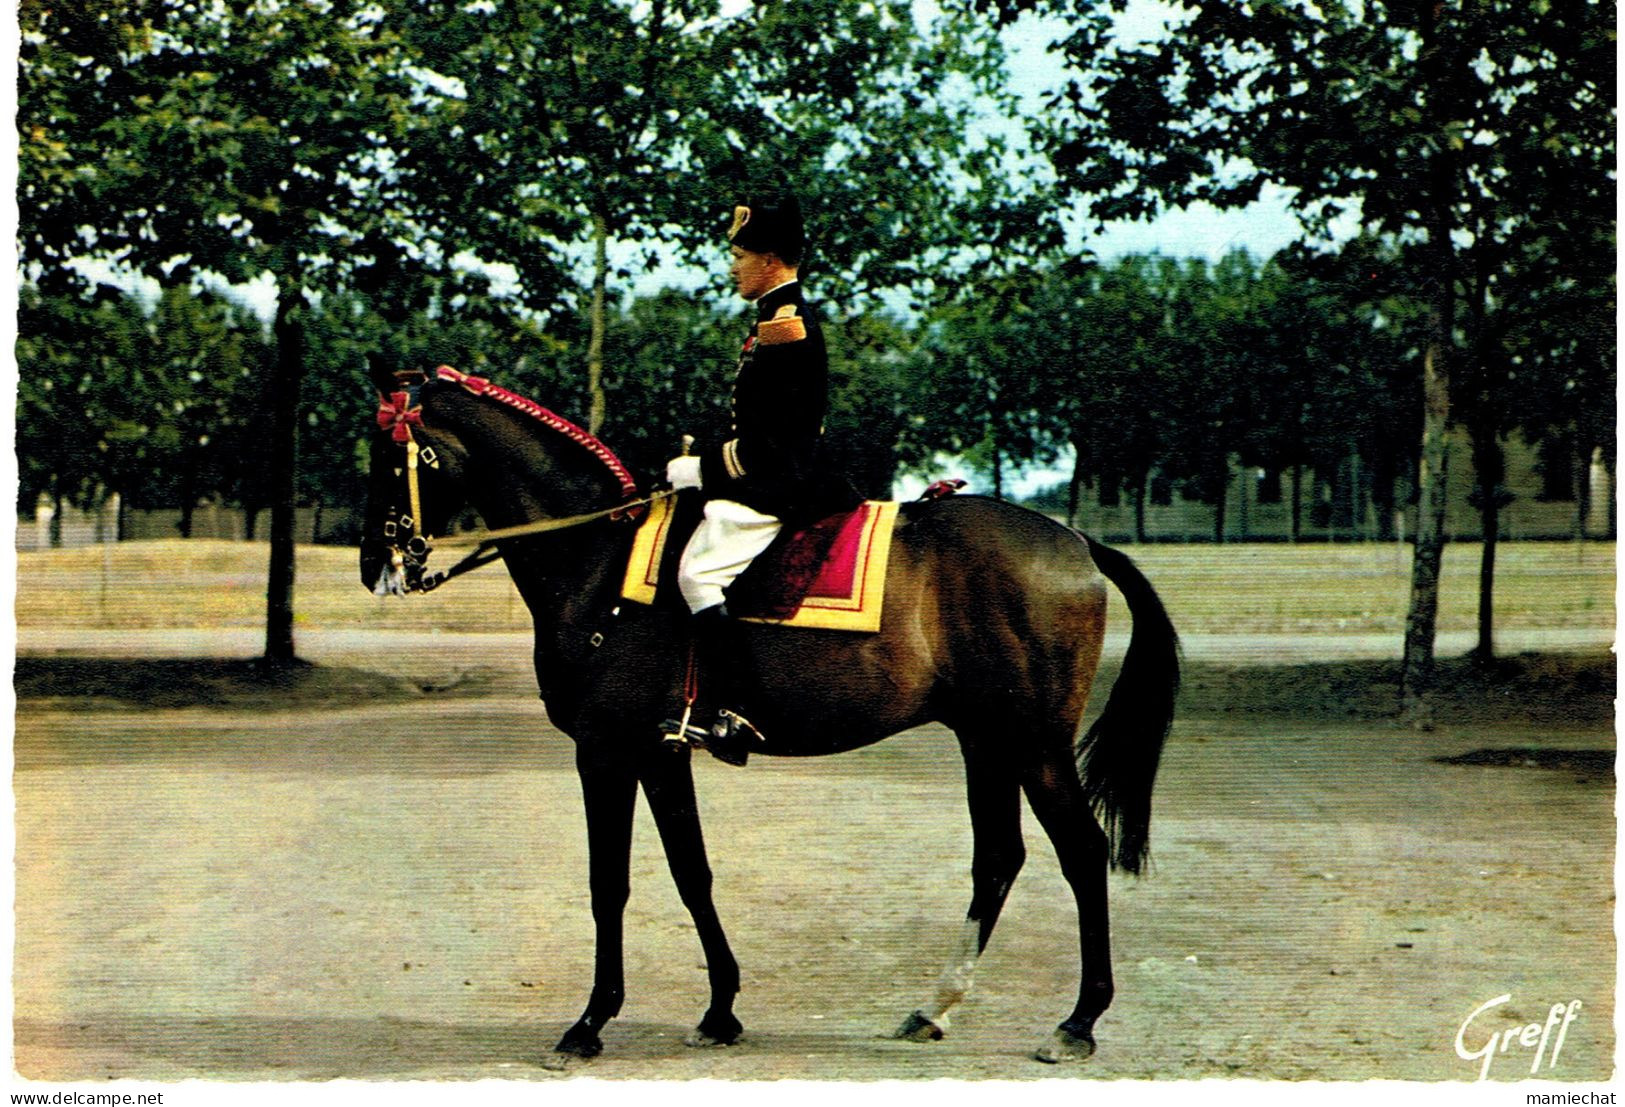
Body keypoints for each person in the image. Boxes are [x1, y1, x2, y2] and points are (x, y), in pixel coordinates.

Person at [661, 189, 853, 761]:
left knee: (697, 576)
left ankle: (736, 709)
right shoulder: (773, 316)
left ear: (768, 261)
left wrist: (707, 466)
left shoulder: (786, 325)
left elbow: (779, 442)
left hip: (783, 482)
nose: (732, 266)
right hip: (773, 473)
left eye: (740, 256)